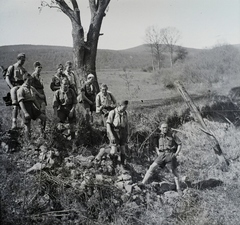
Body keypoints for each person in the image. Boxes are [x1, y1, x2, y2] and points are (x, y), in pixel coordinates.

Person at [141, 122, 182, 193]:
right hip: (161, 155)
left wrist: (176, 154)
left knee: (174, 171)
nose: (165, 129)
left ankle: (178, 188)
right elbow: (156, 145)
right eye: (163, 128)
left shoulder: (172, 134)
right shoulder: (157, 136)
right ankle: (142, 183)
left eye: (166, 127)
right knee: (151, 167)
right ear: (160, 128)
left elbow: (180, 144)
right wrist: (158, 153)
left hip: (170, 154)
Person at [94, 100, 129, 168]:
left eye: (126, 107)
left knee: (123, 149)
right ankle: (104, 152)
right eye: (124, 107)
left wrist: (127, 133)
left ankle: (122, 165)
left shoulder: (125, 113)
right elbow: (108, 125)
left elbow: (127, 124)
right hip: (114, 132)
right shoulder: (113, 112)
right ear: (119, 106)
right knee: (113, 151)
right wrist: (111, 136)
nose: (125, 109)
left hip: (122, 132)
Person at [17, 74, 47, 140]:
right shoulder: (21, 89)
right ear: (24, 80)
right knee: (27, 126)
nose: (30, 81)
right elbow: (21, 102)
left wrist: (39, 109)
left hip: (32, 106)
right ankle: (28, 142)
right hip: (25, 107)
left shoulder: (31, 88)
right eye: (29, 80)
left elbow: (34, 100)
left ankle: (42, 134)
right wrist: (25, 113)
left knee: (43, 117)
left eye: (31, 80)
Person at [5, 53, 28, 129]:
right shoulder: (12, 67)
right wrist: (11, 87)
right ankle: (14, 123)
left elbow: (26, 79)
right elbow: (7, 78)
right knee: (15, 106)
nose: (23, 61)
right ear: (18, 59)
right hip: (14, 87)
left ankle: (22, 123)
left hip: (21, 88)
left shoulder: (23, 69)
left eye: (24, 60)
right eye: (22, 60)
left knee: (23, 105)